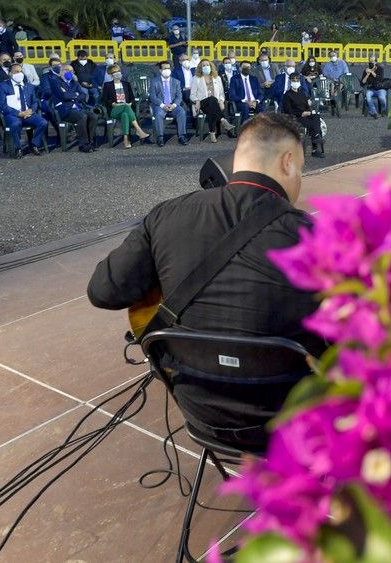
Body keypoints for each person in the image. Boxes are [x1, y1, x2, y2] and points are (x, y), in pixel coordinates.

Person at [87, 112, 324, 445]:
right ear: (287, 162)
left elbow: (103, 291)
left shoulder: (168, 213)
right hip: (293, 421)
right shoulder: (314, 235)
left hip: (200, 413)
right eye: (300, 168)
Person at [0, 62, 48, 158]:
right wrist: (18, 113)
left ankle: (34, 144)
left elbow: (35, 101)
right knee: (15, 124)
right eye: (16, 72)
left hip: (28, 113)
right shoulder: (3, 86)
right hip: (13, 114)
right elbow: (2, 105)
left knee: (43, 123)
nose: (19, 74)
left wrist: (31, 110)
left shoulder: (29, 86)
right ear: (10, 74)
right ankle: (18, 148)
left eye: (21, 71)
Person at [49, 62, 97, 153]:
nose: (69, 72)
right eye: (67, 70)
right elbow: (64, 96)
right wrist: (75, 94)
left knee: (93, 116)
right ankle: (83, 144)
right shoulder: (56, 82)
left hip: (77, 107)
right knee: (82, 117)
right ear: (61, 71)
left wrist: (72, 95)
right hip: (65, 109)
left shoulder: (74, 83)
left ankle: (90, 142)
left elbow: (83, 95)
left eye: (71, 71)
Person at [102, 63, 151, 148]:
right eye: (114, 72)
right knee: (125, 107)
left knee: (125, 114)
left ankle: (125, 140)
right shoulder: (107, 85)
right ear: (110, 75)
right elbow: (105, 100)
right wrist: (113, 104)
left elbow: (132, 97)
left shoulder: (126, 84)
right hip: (115, 109)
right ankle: (138, 130)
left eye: (118, 71)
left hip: (126, 108)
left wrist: (130, 103)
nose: (117, 73)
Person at [281, 72, 324, 158]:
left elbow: (307, 107)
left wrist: (308, 112)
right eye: (293, 80)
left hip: (305, 114)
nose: (296, 81)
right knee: (313, 125)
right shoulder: (287, 95)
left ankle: (316, 137)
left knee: (316, 116)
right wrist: (301, 113)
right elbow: (288, 111)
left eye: (297, 79)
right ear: (290, 81)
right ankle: (315, 146)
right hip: (295, 116)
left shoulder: (302, 93)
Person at [148, 60, 189, 146]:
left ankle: (182, 136)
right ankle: (160, 137)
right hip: (160, 105)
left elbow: (179, 96)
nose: (167, 70)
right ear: (160, 70)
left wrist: (173, 105)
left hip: (173, 105)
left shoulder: (176, 82)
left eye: (168, 68)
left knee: (181, 112)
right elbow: (153, 96)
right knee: (158, 114)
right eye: (164, 68)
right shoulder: (154, 81)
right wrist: (163, 105)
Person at [190, 58, 228, 143]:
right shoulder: (196, 78)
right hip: (202, 103)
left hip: (215, 104)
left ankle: (212, 133)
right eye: (203, 65)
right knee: (212, 99)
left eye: (207, 65)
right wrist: (196, 101)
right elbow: (192, 95)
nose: (206, 66)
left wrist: (221, 100)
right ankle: (222, 119)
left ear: (211, 66)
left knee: (212, 105)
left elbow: (221, 93)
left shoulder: (217, 78)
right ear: (200, 68)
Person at [360, 54, 388, 119]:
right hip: (371, 89)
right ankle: (374, 112)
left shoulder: (380, 69)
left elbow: (380, 79)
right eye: (370, 62)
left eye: (373, 62)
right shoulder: (366, 70)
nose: (371, 63)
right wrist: (367, 74)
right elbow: (362, 83)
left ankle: (383, 110)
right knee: (368, 98)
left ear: (376, 62)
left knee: (382, 98)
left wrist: (372, 72)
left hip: (380, 88)